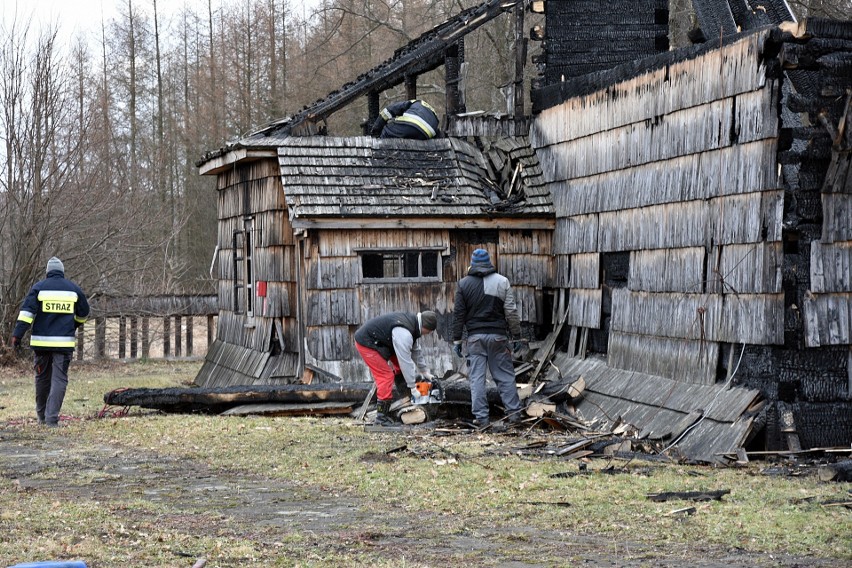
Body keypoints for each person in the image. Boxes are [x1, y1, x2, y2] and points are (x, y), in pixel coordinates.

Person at [10, 257, 90, 427]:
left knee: (42, 378)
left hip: (41, 343)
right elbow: (84, 312)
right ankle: (52, 419)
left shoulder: (39, 288)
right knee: (59, 379)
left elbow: (26, 314)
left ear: (47, 272)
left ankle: (41, 417)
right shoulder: (73, 289)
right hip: (64, 344)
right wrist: (74, 324)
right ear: (62, 272)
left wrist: (17, 335)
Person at [451, 248, 524, 429]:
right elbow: (511, 312)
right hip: (499, 337)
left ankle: (482, 419)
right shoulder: (502, 281)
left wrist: (457, 340)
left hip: (475, 339)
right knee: (505, 377)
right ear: (489, 262)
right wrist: (516, 337)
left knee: (477, 379)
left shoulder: (463, 284)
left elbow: (458, 315)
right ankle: (514, 415)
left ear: (473, 263)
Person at [354, 311, 438, 426]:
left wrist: (425, 371)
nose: (426, 334)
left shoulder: (412, 326)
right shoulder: (404, 333)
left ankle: (405, 395)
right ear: (425, 327)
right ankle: (381, 418)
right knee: (386, 376)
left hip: (383, 342)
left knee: (399, 368)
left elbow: (415, 352)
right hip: (367, 343)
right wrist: (413, 387)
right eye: (428, 332)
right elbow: (405, 361)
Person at [370, 99, 440, 140]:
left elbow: (387, 111)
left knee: (386, 131)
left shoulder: (411, 102)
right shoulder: (431, 112)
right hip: (426, 133)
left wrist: (375, 131)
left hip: (413, 123)